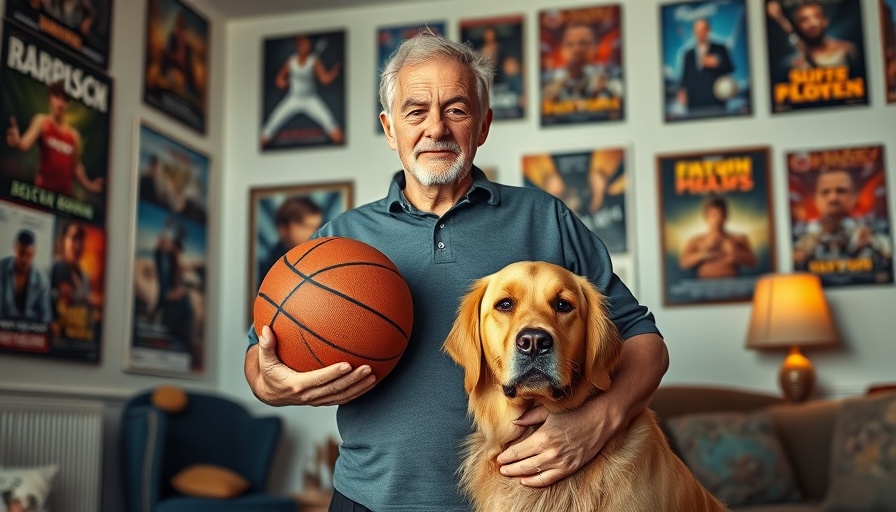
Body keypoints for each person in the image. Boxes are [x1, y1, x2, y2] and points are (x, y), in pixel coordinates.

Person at [244, 32, 668, 511]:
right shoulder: (341, 240)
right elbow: (259, 357)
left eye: (457, 110)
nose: (436, 129)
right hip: (369, 498)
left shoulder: (544, 217)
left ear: (483, 126)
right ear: (389, 128)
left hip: (527, 500)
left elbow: (644, 341)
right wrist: (271, 383)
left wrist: (601, 419)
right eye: (415, 110)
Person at [6, 81, 104, 197]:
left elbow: (76, 166)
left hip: (64, 200)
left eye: (65, 100)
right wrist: (16, 141)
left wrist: (89, 185)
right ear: (50, 98)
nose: (60, 103)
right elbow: (24, 144)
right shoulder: (41, 122)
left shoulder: (74, 136)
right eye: (57, 97)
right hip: (42, 195)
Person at [793, 169, 892, 268]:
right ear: (816, 198)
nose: (833, 198)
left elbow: (889, 257)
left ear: (854, 196)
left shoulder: (877, 228)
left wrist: (872, 242)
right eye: (825, 192)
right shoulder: (797, 232)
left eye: (841, 191)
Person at [260, 35, 344, 147]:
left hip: (311, 99)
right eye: (303, 44)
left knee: (337, 134)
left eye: (307, 44)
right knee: (266, 133)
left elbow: (325, 79)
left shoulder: (314, 60)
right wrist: (283, 82)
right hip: (293, 98)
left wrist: (335, 71)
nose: (305, 46)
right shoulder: (291, 61)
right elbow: (279, 80)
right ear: (298, 46)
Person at [679, 194, 757, 278]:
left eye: (720, 214)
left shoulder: (738, 238)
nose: (716, 219)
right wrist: (702, 255)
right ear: (706, 217)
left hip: (732, 288)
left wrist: (735, 253)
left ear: (726, 216)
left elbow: (753, 262)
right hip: (704, 288)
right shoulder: (695, 241)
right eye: (712, 215)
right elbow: (683, 263)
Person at [767, 1, 858, 70]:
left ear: (825, 21)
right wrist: (779, 18)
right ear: (798, 26)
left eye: (816, 17)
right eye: (804, 20)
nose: (812, 23)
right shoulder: (795, 62)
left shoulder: (847, 50)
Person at [677, 18, 735, 114]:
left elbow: (730, 68)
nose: (701, 33)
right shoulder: (688, 54)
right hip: (694, 103)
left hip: (715, 102)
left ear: (709, 30)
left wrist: (718, 63)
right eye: (698, 30)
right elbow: (685, 76)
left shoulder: (720, 49)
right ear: (694, 32)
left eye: (703, 29)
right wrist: (682, 90)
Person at [258, 196, 323, 280]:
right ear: (283, 228)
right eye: (305, 226)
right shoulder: (273, 267)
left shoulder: (317, 258)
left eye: (316, 227)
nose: (314, 232)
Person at [542, 23, 610, 102]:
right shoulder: (548, 79)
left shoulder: (609, 76)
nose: (577, 49)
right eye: (570, 44)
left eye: (583, 43)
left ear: (595, 47)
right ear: (562, 49)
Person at [0, 229, 52, 323]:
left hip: (30, 333)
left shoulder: (42, 279)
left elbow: (45, 315)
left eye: (28, 254)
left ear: (33, 253)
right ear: (15, 248)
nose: (23, 259)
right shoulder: (1, 269)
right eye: (21, 253)